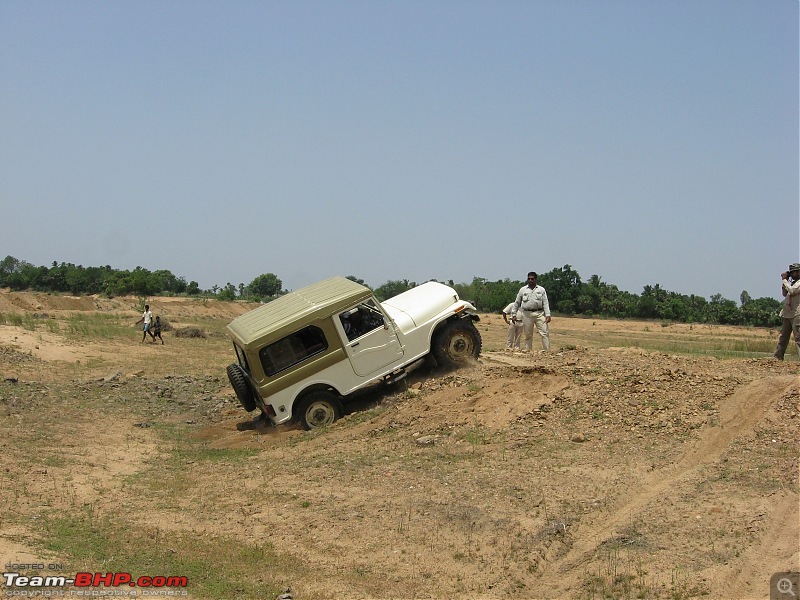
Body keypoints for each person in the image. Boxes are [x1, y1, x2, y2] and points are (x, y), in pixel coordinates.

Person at [512, 272, 551, 352]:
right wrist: (513, 314)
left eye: (532, 279)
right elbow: (517, 302)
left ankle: (547, 352)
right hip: (527, 314)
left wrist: (548, 314)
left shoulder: (541, 290)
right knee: (528, 334)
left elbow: (545, 303)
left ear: (536, 279)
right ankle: (528, 351)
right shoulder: (523, 290)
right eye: (529, 279)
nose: (530, 280)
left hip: (539, 314)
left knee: (544, 333)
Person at [774, 263, 800, 360]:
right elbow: (785, 293)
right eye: (792, 272)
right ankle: (778, 357)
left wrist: (784, 280)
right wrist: (785, 282)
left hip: (797, 314)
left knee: (798, 337)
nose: (793, 274)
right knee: (783, 337)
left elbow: (792, 291)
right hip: (787, 313)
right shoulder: (791, 283)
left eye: (795, 272)